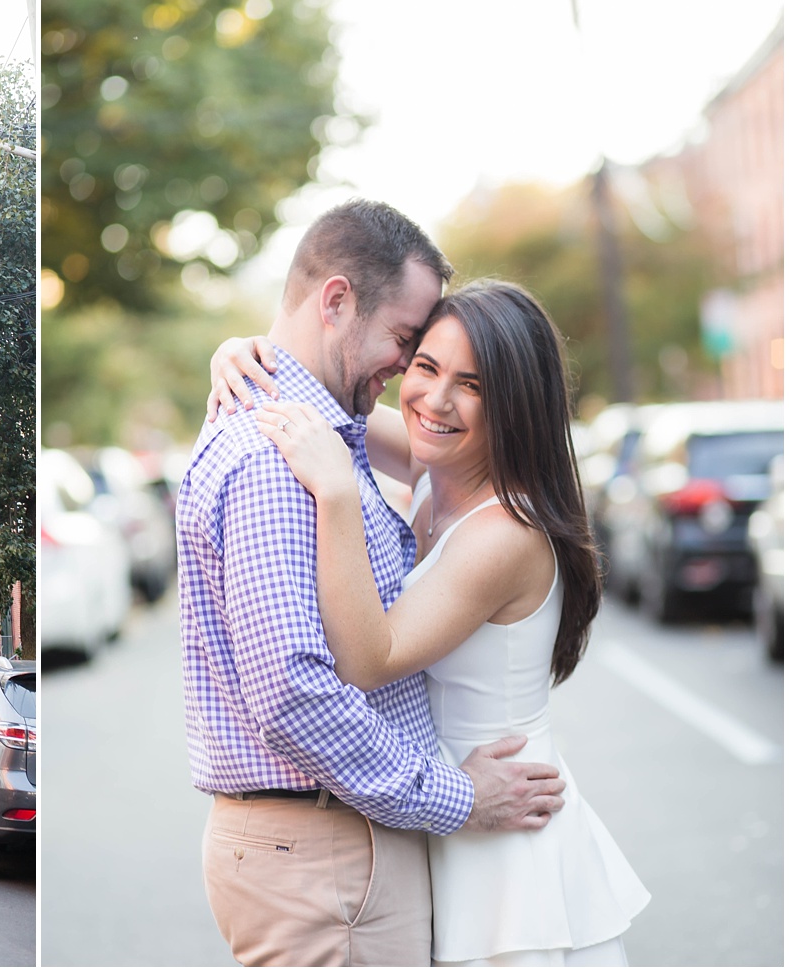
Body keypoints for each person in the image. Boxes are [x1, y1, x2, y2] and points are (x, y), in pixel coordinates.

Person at [177, 200, 568, 968]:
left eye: (468, 379)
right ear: (335, 302)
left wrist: (249, 353)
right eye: (410, 350)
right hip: (337, 845)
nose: (411, 381)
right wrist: (459, 799)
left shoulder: (332, 440)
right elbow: (296, 690)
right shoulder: (282, 457)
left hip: (420, 824)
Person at [215, 278, 650, 966]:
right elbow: (303, 402)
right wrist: (239, 354)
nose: (436, 400)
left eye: (473, 385)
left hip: (505, 826)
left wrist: (338, 496)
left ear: (517, 405)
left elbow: (368, 658)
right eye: (426, 367)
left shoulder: (505, 531)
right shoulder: (437, 468)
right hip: (453, 806)